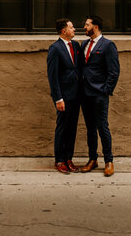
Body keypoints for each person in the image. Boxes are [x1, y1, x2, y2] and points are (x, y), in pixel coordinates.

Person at [80, 14, 120, 177]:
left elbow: (114, 71)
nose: (84, 27)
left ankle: (109, 161)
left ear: (95, 27)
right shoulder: (84, 44)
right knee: (90, 129)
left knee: (102, 127)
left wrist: (105, 90)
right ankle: (92, 159)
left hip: (99, 94)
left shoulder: (108, 45)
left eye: (87, 24)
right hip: (84, 93)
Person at [47, 18, 82, 174]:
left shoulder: (76, 46)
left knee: (72, 128)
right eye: (71, 27)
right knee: (62, 128)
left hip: (76, 95)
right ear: (64, 31)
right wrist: (58, 98)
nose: (74, 29)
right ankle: (59, 160)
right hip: (64, 97)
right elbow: (52, 76)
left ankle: (69, 158)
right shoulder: (55, 48)